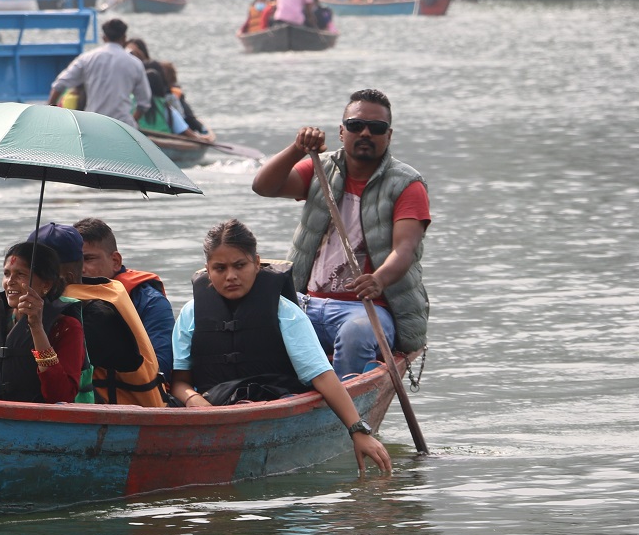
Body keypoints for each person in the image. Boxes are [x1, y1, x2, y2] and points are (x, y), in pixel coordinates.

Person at [169, 220, 392, 475]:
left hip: (273, 400)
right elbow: (179, 382)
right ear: (208, 270)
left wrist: (357, 430)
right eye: (220, 268)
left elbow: (322, 376)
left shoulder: (285, 313)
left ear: (256, 263)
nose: (230, 276)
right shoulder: (191, 314)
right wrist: (193, 399)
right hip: (211, 408)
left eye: (240, 265)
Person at [250, 88, 431, 377]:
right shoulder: (320, 169)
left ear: (389, 135)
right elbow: (263, 186)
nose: (365, 134)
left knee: (356, 334)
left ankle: (345, 412)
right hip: (307, 302)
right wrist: (297, 148)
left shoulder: (406, 184)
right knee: (255, 328)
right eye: (356, 126)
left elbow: (405, 248)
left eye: (376, 128)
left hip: (367, 309)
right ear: (342, 131)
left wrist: (378, 279)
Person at [29, 223, 163, 407]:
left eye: (35, 276)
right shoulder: (104, 292)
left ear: (64, 278)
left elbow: (55, 385)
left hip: (127, 417)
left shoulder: (93, 315)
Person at [0, 242, 87, 404]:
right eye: (7, 274)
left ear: (46, 285)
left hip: (39, 419)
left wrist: (37, 327)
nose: (10, 282)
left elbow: (62, 396)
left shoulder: (66, 328)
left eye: (20, 274)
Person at [74, 216, 175, 388]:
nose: (80, 269)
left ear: (115, 261)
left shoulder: (150, 301)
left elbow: (162, 366)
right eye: (75, 261)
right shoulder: (64, 298)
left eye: (89, 259)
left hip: (133, 397)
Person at [47, 17, 151, 127]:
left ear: (104, 38)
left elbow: (59, 84)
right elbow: (144, 102)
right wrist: (131, 124)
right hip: (122, 124)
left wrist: (50, 110)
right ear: (125, 38)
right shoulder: (135, 63)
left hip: (93, 124)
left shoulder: (87, 58)